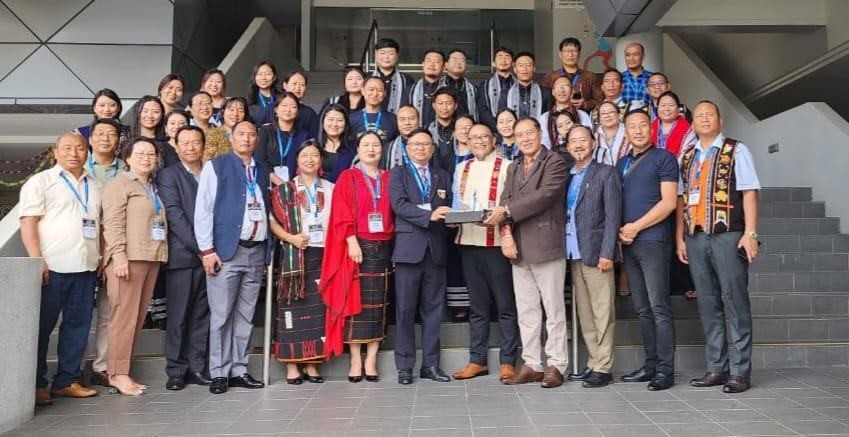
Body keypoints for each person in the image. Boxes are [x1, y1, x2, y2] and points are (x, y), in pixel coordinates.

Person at [677, 101, 761, 394]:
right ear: (693, 123)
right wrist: (680, 238)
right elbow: (681, 199)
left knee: (735, 301)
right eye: (699, 115)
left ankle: (740, 371)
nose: (703, 119)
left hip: (729, 235)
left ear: (720, 120)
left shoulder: (737, 150)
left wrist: (750, 233)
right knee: (708, 303)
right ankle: (717, 367)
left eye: (709, 114)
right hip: (696, 236)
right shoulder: (687, 156)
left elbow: (750, 192)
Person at [483, 117, 569, 389]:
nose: (525, 138)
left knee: (554, 310)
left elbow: (545, 195)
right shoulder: (515, 166)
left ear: (540, 133)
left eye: (529, 133)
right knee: (527, 310)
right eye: (519, 135)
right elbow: (504, 200)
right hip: (518, 247)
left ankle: (556, 364)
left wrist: (506, 212)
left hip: (546, 244)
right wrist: (506, 235)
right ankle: (532, 363)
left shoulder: (554, 161)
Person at [20, 133, 101, 406]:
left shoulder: (95, 184)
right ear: (56, 152)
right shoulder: (41, 182)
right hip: (51, 267)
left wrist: (100, 257)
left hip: (86, 267)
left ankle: (67, 380)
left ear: (87, 152)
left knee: (77, 327)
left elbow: (97, 224)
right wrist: (37, 260)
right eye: (67, 148)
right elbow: (28, 222)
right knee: (42, 328)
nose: (74, 153)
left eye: (80, 148)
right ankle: (36, 384)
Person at [195, 120, 270, 394]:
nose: (247, 138)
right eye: (241, 134)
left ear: (257, 140)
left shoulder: (262, 170)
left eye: (252, 134)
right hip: (226, 252)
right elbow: (203, 211)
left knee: (246, 316)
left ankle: (239, 368)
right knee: (222, 315)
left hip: (256, 251)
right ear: (231, 137)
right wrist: (207, 250)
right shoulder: (216, 166)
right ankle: (219, 372)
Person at [320, 132, 394, 383]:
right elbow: (340, 211)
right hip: (357, 245)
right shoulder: (348, 177)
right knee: (356, 304)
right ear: (358, 150)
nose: (371, 149)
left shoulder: (389, 177)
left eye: (375, 145)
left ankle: (371, 359)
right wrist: (351, 241)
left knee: (378, 306)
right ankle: (355, 359)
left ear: (382, 150)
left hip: (384, 245)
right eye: (366, 145)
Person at [451, 123, 519, 383]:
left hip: (497, 244)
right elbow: (458, 204)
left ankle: (508, 361)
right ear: (467, 141)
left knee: (505, 304)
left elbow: (512, 203)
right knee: (477, 306)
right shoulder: (461, 168)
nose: (479, 141)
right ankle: (477, 360)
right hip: (469, 242)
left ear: (494, 140)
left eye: (484, 137)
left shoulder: (507, 165)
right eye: (473, 138)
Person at [616, 110, 679, 391]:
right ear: (625, 132)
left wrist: (636, 227)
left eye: (643, 125)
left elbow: (669, 204)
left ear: (651, 129)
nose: (638, 131)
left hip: (653, 240)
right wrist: (620, 230)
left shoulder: (664, 158)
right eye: (632, 127)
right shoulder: (621, 163)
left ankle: (666, 370)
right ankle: (650, 364)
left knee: (659, 307)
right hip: (629, 244)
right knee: (642, 308)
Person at [101, 137, 168, 395]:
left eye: (151, 154)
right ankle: (116, 374)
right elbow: (113, 223)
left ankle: (123, 370)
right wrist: (118, 256)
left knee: (136, 319)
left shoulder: (152, 186)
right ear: (127, 158)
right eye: (140, 153)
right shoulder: (119, 184)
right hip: (128, 259)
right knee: (123, 319)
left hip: (151, 256)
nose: (146, 158)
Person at [389, 128, 453, 384]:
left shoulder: (442, 175)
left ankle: (431, 365)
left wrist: (452, 219)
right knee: (405, 311)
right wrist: (429, 216)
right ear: (407, 149)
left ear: (433, 148)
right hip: (408, 251)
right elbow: (399, 205)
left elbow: (449, 206)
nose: (421, 148)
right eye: (415, 144)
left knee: (434, 311)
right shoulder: (398, 174)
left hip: (436, 251)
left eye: (426, 144)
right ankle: (405, 367)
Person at [269, 140, 334, 385]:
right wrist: (291, 238)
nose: (309, 159)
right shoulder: (284, 189)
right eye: (304, 155)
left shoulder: (331, 188)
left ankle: (312, 363)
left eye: (314, 155)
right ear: (297, 160)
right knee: (291, 308)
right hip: (294, 255)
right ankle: (293, 365)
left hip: (323, 254)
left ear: (320, 160)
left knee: (318, 309)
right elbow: (272, 221)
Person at [561, 125, 622, 388]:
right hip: (573, 252)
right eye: (572, 141)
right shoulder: (566, 175)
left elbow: (613, 216)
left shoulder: (605, 173)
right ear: (566, 146)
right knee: (585, 312)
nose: (578, 145)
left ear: (593, 142)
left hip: (597, 252)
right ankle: (594, 361)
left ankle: (604, 366)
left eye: (582, 140)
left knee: (602, 311)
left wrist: (608, 251)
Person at [156, 125, 212, 391]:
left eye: (196, 142)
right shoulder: (168, 175)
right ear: (176, 146)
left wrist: (212, 250)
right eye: (185, 143)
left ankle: (197, 367)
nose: (191, 147)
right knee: (178, 316)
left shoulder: (212, 173)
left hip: (211, 257)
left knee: (202, 315)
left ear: (203, 145)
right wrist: (203, 249)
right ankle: (176, 370)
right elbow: (175, 216)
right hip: (183, 256)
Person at [82, 118, 124, 387]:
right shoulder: (78, 168)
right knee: (79, 314)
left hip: (114, 250)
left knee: (110, 313)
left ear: (119, 140)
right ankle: (73, 368)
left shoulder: (127, 170)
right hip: (81, 249)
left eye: (112, 134)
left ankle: (102, 366)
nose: (106, 138)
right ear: (91, 138)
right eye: (100, 134)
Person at [255, 92, 310, 185]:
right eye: (284, 105)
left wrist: (291, 185)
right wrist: (280, 183)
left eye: (293, 106)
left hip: (296, 185)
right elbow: (259, 160)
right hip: (267, 183)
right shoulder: (265, 131)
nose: (288, 110)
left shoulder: (303, 135)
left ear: (297, 112)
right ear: (276, 109)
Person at [542, 37, 602, 112]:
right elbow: (544, 101)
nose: (570, 54)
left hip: (583, 118)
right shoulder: (550, 77)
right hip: (557, 118)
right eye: (567, 51)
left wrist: (585, 104)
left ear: (579, 54)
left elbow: (600, 100)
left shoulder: (590, 77)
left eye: (574, 51)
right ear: (560, 54)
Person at [538, 76, 591, 149]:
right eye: (558, 87)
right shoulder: (544, 118)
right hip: (553, 158)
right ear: (553, 92)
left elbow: (588, 140)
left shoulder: (582, 115)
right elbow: (544, 144)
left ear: (572, 91)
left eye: (566, 86)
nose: (562, 90)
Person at [349, 76, 399, 144]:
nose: (375, 94)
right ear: (363, 91)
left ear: (384, 93)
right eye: (371, 89)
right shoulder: (351, 119)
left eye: (379, 90)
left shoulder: (393, 119)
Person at [371, 38, 414, 113]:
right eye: (382, 53)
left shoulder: (406, 79)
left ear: (397, 56)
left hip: (397, 122)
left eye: (391, 53)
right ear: (376, 55)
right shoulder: (367, 77)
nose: (386, 57)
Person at [477, 47, 515, 130]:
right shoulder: (484, 85)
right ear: (493, 63)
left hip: (516, 129)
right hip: (493, 130)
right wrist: (498, 127)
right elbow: (483, 111)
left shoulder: (519, 85)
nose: (503, 60)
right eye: (500, 57)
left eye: (507, 57)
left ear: (513, 63)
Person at [317, 104, 355, 183]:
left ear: (346, 124)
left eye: (339, 120)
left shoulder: (353, 148)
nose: (335, 124)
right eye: (330, 119)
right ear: (323, 122)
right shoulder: (314, 146)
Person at [651, 91, 695, 159]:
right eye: (663, 105)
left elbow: (687, 157)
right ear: (657, 108)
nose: (667, 109)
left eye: (671, 105)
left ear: (678, 109)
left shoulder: (687, 130)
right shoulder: (650, 127)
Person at [189, 91, 231, 162]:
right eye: (200, 104)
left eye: (208, 103)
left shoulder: (219, 130)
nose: (205, 107)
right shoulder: (186, 131)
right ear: (190, 109)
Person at [507, 52, 550, 119]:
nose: (525, 69)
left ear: (534, 68)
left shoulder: (545, 93)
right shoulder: (506, 93)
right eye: (521, 65)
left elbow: (548, 117)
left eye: (528, 65)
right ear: (515, 69)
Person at [410, 49, 445, 128]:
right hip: (417, 136)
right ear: (423, 64)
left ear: (443, 67)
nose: (432, 64)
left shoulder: (450, 90)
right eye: (429, 61)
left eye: (437, 62)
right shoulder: (411, 89)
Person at [427, 88, 459, 174]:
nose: (444, 107)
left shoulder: (462, 130)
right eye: (440, 103)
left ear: (455, 106)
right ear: (434, 105)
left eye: (449, 103)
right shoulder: (426, 131)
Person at [440, 49, 478, 121]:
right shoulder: (437, 86)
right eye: (454, 59)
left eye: (462, 60)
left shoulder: (473, 88)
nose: (458, 63)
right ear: (446, 65)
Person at [281, 69, 319, 137]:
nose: (298, 88)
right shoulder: (274, 107)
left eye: (302, 85)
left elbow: (313, 139)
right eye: (294, 84)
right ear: (285, 85)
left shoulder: (309, 113)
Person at [383, 105, 420, 170]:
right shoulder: (387, 149)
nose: (407, 123)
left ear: (419, 120)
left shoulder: (429, 146)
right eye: (402, 119)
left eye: (411, 118)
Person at [594, 101, 630, 165]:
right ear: (599, 118)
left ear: (619, 115)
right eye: (603, 113)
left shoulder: (629, 132)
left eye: (611, 112)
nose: (607, 115)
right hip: (603, 174)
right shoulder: (594, 137)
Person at [247, 60, 279, 126]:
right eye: (259, 74)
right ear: (254, 77)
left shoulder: (282, 98)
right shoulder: (249, 100)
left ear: (274, 77)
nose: (263, 78)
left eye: (268, 74)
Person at [621, 42, 652, 107]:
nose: (631, 58)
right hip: (624, 116)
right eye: (628, 55)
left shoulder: (652, 78)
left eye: (635, 54)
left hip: (648, 116)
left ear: (643, 56)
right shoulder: (619, 78)